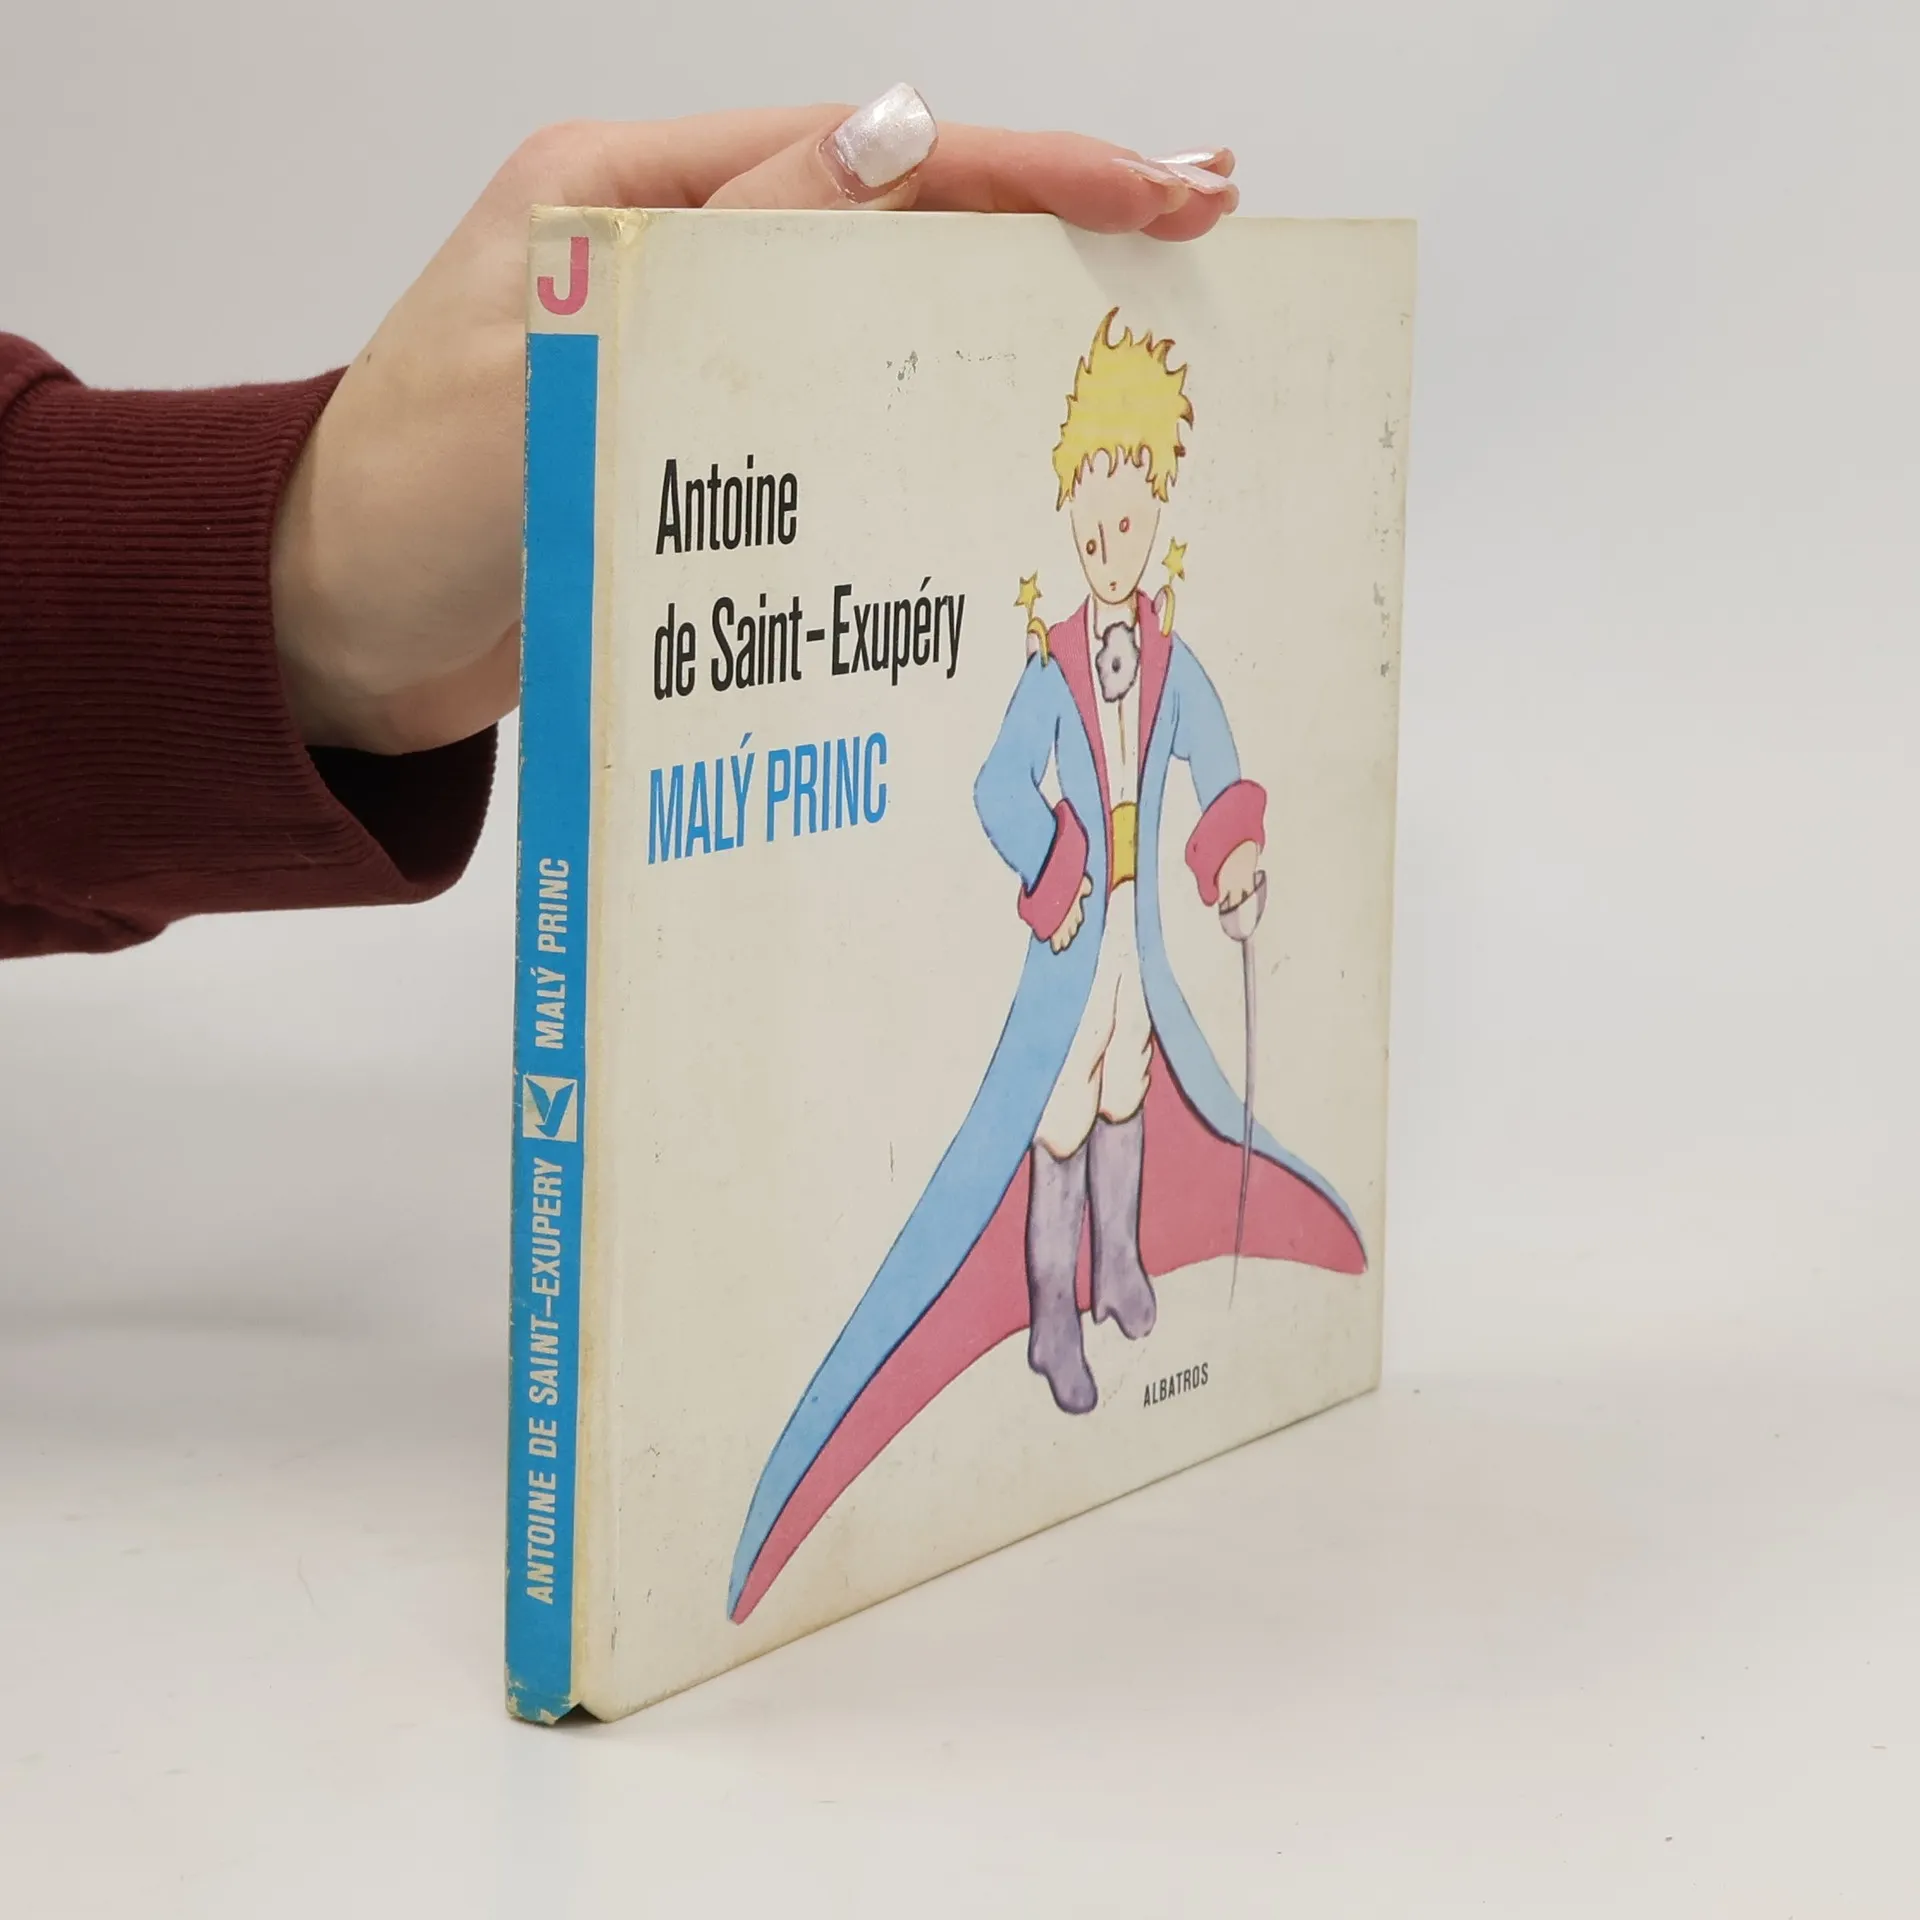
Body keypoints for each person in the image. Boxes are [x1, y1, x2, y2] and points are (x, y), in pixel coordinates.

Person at [0, 91, 1237, 961]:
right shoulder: (1050, 668)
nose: (1110, 536)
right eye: (1096, 510)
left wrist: (1224, 842)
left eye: (1131, 507)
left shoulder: (1167, 657)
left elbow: (1213, 755)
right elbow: (999, 779)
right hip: (1073, 939)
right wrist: (293, 584)